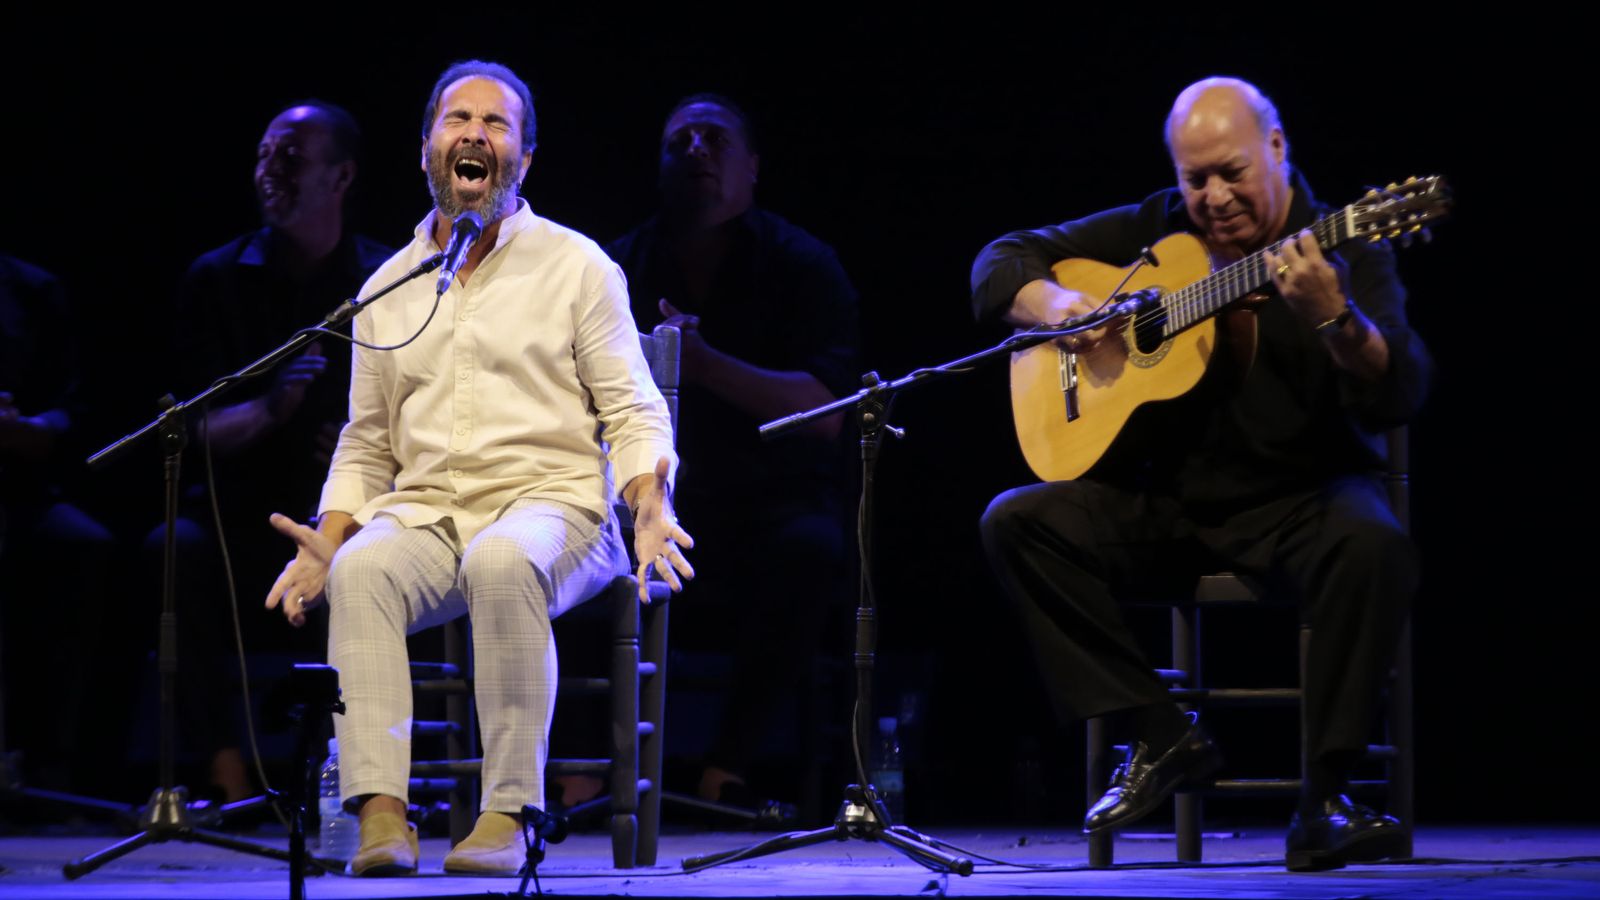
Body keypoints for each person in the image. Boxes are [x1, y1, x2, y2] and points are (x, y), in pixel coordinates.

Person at [972, 77, 1431, 872]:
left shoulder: (1350, 246)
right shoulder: (1161, 227)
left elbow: (1401, 390)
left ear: (1277, 149)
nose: (1213, 198)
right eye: (1196, 179)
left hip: (1301, 499)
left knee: (1376, 546)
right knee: (1016, 521)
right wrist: (1058, 307)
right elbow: (999, 259)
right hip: (1172, 506)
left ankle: (1325, 803)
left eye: (1232, 172)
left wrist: (1336, 319)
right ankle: (1161, 733)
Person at [264, 60, 692, 877]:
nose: (475, 134)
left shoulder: (578, 267)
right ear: (427, 149)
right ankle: (381, 816)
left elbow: (634, 409)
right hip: (431, 513)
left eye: (497, 124)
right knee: (361, 571)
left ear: (523, 158)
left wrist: (649, 501)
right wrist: (330, 536)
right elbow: (367, 442)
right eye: (458, 120)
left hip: (557, 505)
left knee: (501, 559)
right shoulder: (388, 286)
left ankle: (508, 814)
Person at [606, 94, 857, 815]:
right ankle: (592, 766)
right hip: (648, 499)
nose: (695, 151)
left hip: (768, 500)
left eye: (714, 140)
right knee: (567, 538)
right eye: (679, 141)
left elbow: (828, 411)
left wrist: (705, 364)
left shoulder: (802, 264)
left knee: (810, 549)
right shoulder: (616, 267)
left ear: (752, 167)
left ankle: (727, 763)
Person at [159, 101, 391, 802]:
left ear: (341, 176)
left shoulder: (384, 280)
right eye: (264, 155)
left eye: (290, 156)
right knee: (172, 548)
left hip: (346, 514)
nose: (270, 170)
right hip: (240, 512)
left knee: (382, 557)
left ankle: (350, 775)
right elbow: (191, 428)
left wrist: (358, 452)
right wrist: (268, 410)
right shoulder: (216, 277)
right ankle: (226, 766)